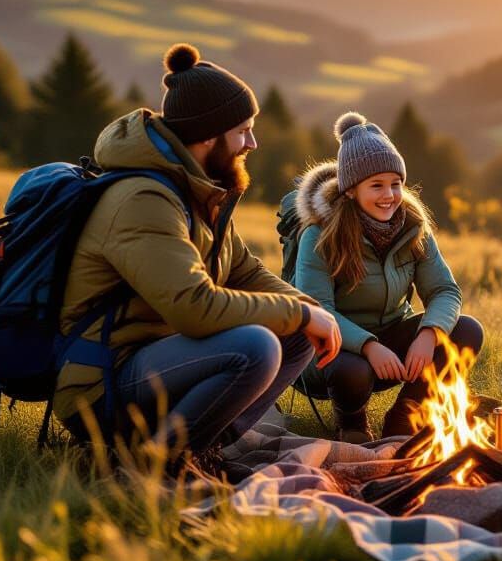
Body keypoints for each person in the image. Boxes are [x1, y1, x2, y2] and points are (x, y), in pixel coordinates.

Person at [56, 43, 341, 461]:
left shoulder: (197, 191)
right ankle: (157, 466)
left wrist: (308, 310)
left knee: (296, 332)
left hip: (160, 360)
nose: (253, 142)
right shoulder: (144, 200)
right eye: (243, 130)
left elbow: (244, 270)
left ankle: (205, 449)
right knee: (257, 347)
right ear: (208, 135)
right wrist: (300, 314)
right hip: (104, 382)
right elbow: (194, 307)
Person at [293, 112, 484, 443]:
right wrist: (368, 346)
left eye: (396, 184)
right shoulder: (320, 234)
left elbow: (444, 291)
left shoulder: (412, 226)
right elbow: (317, 309)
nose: (389, 196)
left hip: (391, 341)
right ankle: (351, 423)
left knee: (466, 330)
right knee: (354, 369)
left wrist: (429, 333)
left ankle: (406, 416)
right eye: (376, 185)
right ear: (351, 190)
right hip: (327, 352)